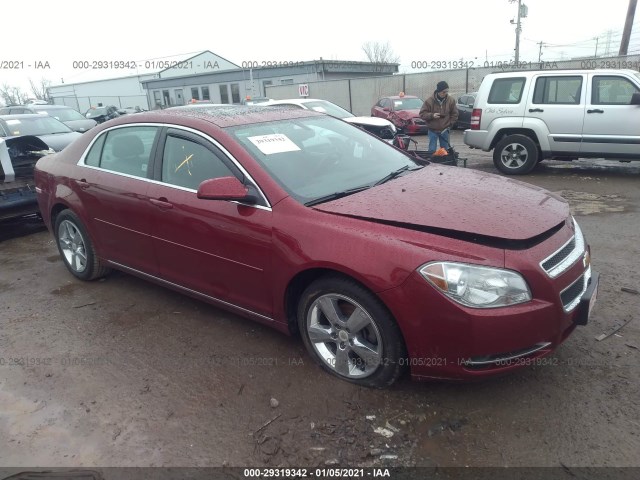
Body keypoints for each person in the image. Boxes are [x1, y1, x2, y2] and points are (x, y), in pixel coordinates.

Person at [419, 81, 458, 153]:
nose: (446, 93)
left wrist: (450, 124)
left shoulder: (451, 100)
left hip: (445, 130)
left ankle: (444, 163)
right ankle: (432, 163)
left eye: (447, 91)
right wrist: (432, 115)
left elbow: (455, 114)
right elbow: (422, 114)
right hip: (432, 130)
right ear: (438, 91)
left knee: (445, 150)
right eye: (444, 92)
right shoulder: (429, 101)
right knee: (432, 150)